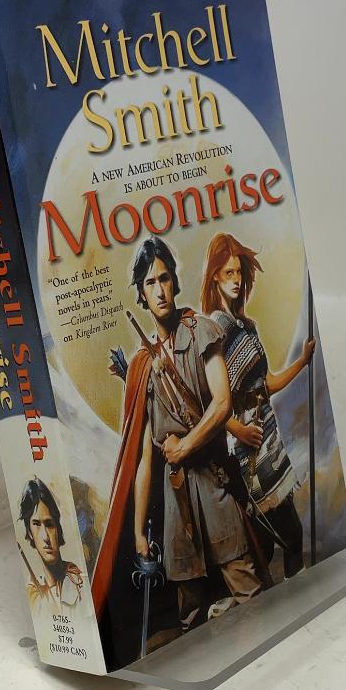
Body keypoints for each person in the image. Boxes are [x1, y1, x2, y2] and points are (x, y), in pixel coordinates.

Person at [91, 238, 267, 663]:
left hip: (215, 490)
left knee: (252, 597)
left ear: (175, 281)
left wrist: (185, 445)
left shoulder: (201, 329)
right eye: (150, 283)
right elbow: (143, 459)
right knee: (190, 620)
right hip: (176, 507)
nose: (160, 290)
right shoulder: (142, 366)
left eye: (165, 278)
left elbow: (222, 403)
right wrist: (138, 531)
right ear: (141, 293)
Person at [200, 232, 315, 581]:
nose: (236, 280)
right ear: (215, 276)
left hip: (269, 437)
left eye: (239, 272)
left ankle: (292, 597)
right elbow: (209, 399)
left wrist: (303, 361)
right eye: (228, 273)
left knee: (278, 538)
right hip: (246, 446)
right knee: (277, 537)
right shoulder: (213, 330)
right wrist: (237, 430)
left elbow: (267, 385)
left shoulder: (247, 327)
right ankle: (280, 600)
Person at [18, 478, 83, 609]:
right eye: (36, 524)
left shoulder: (79, 582)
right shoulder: (33, 595)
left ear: (57, 529)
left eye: (49, 524)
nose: (45, 537)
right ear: (30, 532)